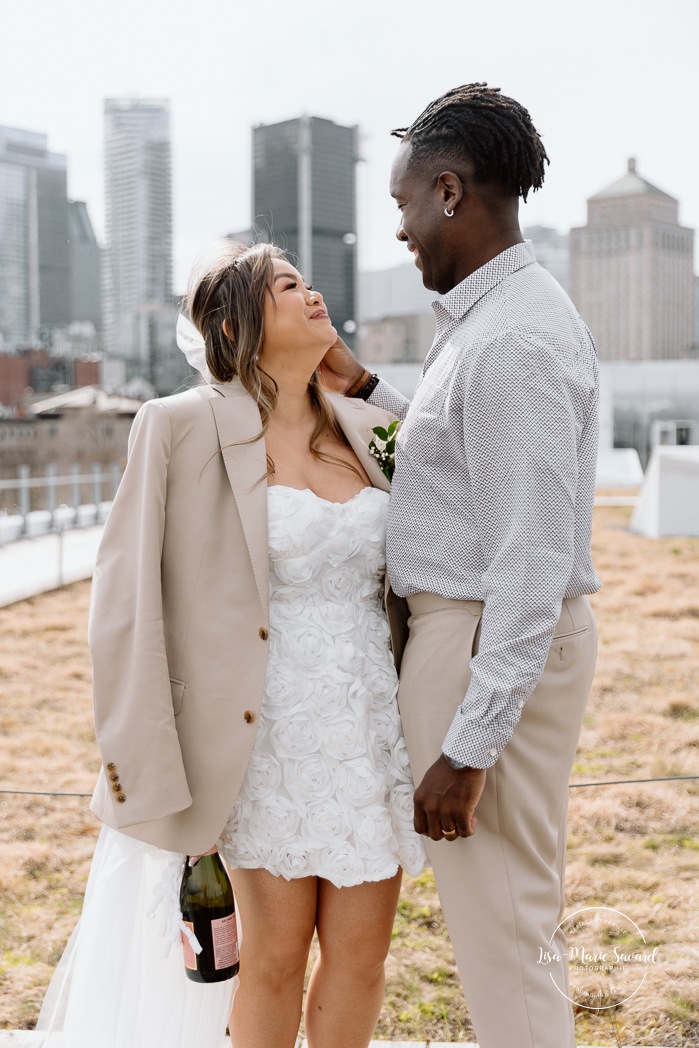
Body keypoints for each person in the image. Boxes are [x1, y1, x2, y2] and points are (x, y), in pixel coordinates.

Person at [36, 240, 426, 1048]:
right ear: (236, 325)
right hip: (257, 742)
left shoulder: (373, 428)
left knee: (361, 959)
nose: (313, 294)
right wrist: (154, 765)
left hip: (367, 735)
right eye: (289, 285)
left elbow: (458, 478)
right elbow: (126, 605)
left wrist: (365, 383)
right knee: (274, 960)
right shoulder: (177, 427)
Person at [321, 83, 600, 1048]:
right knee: (509, 924)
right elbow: (457, 456)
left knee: (501, 932)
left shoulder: (513, 337)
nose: (398, 229)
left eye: (402, 204)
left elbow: (529, 553)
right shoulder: (499, 317)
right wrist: (361, 384)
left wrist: (468, 748)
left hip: (482, 636)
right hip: (476, 632)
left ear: (448, 191)